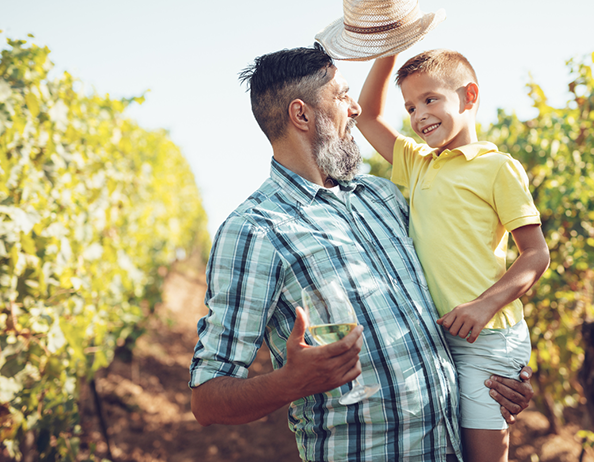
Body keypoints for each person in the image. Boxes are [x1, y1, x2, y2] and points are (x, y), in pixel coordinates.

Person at [189, 43, 534, 462]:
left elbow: (463, 260)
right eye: (341, 95)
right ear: (302, 115)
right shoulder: (256, 230)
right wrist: (290, 383)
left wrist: (498, 369)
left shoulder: (383, 197)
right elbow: (206, 399)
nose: (355, 109)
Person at [354, 49, 551, 462]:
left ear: (469, 96)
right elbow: (367, 116)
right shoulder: (417, 163)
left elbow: (535, 255)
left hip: (487, 337)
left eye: (430, 99)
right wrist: (390, 47)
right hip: (435, 335)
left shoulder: (497, 167)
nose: (418, 114)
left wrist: (484, 305)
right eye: (409, 106)